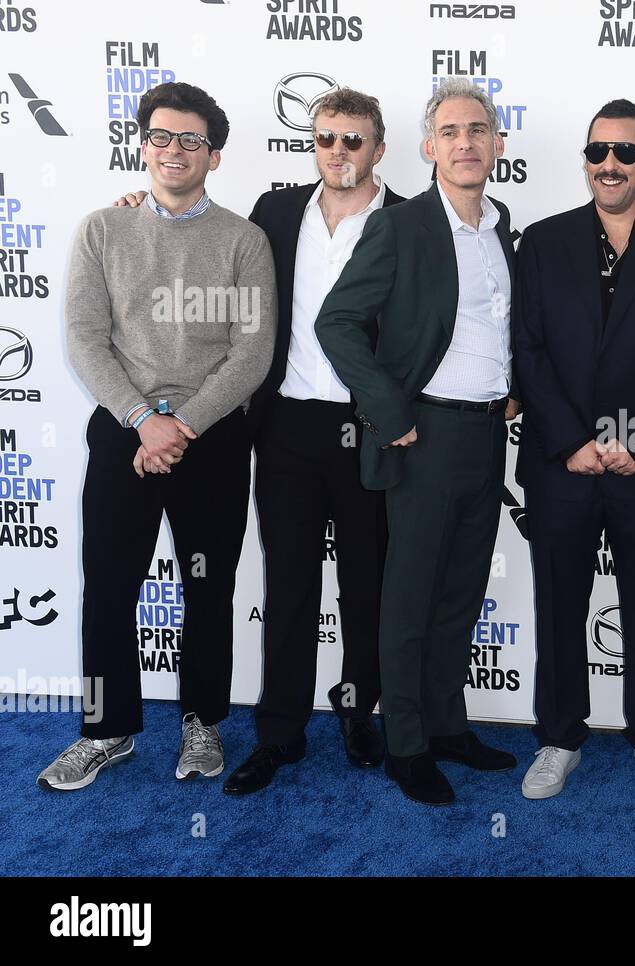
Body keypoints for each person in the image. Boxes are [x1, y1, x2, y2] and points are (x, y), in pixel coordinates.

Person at [109, 88, 404, 793]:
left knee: (367, 586)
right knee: (291, 584)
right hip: (286, 431)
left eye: (353, 140)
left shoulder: (412, 223)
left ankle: (359, 708)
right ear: (314, 145)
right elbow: (192, 241)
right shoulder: (274, 213)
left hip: (370, 432)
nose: (339, 151)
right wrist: (134, 214)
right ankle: (280, 733)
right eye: (326, 138)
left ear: (379, 148)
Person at [41, 81, 276, 790]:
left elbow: (253, 350)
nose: (174, 150)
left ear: (215, 154)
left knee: (209, 588)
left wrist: (186, 423)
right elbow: (85, 339)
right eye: (162, 136)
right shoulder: (101, 230)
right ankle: (105, 730)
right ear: (143, 143)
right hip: (123, 433)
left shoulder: (245, 239)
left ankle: (203, 724)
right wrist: (145, 421)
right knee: (108, 587)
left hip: (213, 440)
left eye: (191, 140)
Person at [314, 77, 519, 806]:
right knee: (408, 602)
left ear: (497, 145)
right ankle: (405, 746)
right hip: (421, 436)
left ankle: (447, 726)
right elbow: (336, 322)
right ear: (430, 147)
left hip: (487, 435)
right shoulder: (400, 228)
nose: (467, 143)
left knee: (460, 595)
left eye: (479, 130)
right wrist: (389, 408)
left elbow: (496, 327)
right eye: (452, 132)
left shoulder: (502, 226)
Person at [512, 99, 635, 800]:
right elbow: (527, 349)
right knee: (559, 601)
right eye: (597, 152)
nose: (609, 165)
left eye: (625, 153)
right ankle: (559, 735)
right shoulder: (540, 241)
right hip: (560, 462)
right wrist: (572, 440)